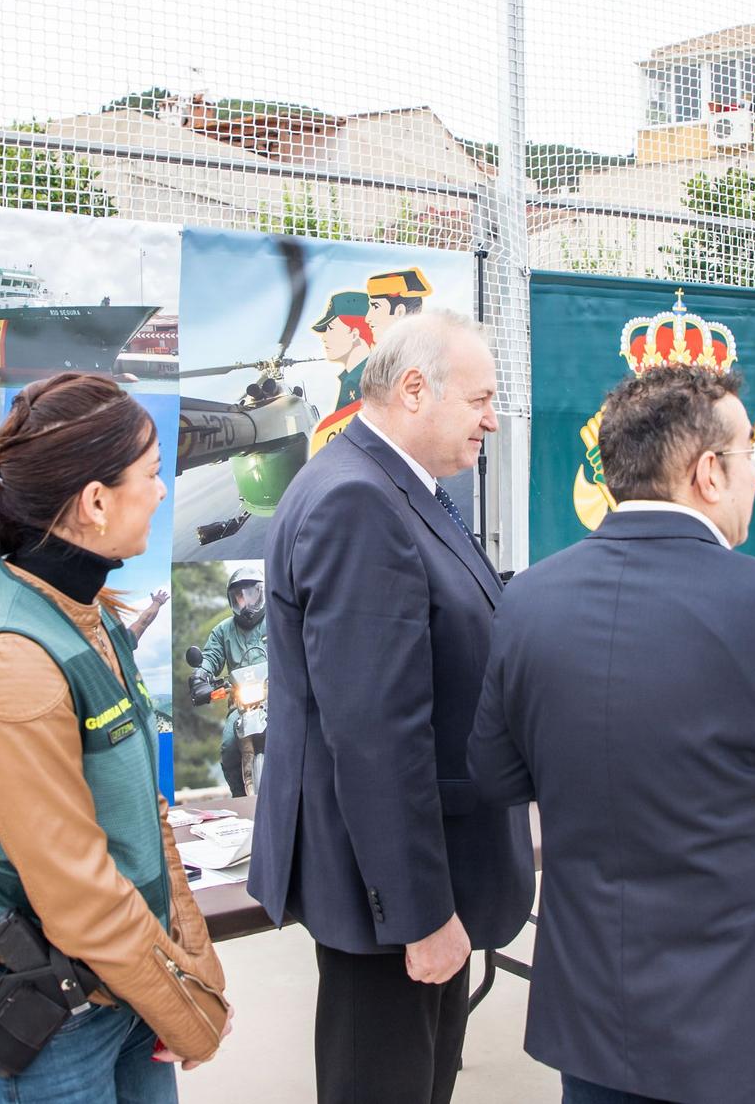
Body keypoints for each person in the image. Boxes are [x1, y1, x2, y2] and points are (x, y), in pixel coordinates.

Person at [470, 364, 755, 1104]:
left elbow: (496, 774)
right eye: (751, 459)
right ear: (707, 473)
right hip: (745, 1020)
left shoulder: (529, 598)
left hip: (596, 1011)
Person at [0, 372, 230, 1104]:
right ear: (94, 501)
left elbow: (142, 820)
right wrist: (189, 1010)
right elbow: (78, 893)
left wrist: (193, 976)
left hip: (122, 998)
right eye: (151, 475)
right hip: (46, 1029)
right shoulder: (7, 664)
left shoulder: (92, 616)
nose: (163, 490)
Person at [247, 310, 533, 1104]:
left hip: (416, 877)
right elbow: (375, 731)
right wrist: (419, 913)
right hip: (394, 898)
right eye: (479, 397)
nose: (492, 417)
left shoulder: (397, 488)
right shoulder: (360, 503)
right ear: (415, 388)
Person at [189, 564, 269, 796]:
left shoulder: (279, 619)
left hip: (280, 696)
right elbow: (210, 656)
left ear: (261, 592)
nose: (245, 601)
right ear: (232, 600)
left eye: (250, 593)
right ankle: (239, 796)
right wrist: (200, 676)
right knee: (228, 745)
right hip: (241, 704)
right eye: (239, 597)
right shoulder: (223, 630)